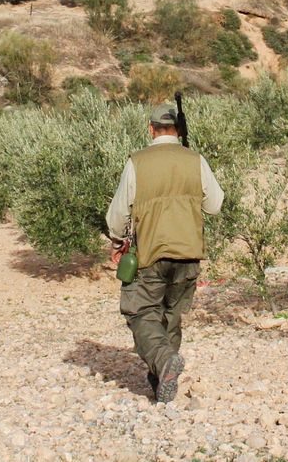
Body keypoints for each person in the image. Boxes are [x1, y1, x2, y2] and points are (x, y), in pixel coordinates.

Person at [105, 102, 224, 402]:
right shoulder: (195, 160)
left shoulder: (137, 162)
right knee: (171, 316)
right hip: (189, 255)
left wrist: (118, 242)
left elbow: (117, 215)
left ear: (151, 129)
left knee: (140, 311)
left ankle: (162, 362)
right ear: (179, 130)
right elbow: (215, 205)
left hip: (150, 254)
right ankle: (162, 384)